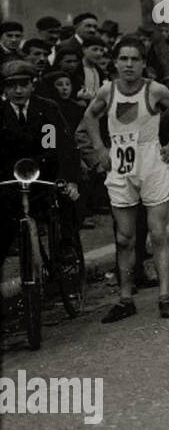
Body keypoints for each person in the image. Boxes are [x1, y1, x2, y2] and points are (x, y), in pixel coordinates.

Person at [82, 37, 169, 321]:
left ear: (143, 64)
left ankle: (165, 296)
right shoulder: (107, 91)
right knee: (124, 237)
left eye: (134, 59)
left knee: (158, 233)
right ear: (114, 63)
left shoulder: (155, 89)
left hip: (151, 162)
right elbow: (90, 117)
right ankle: (125, 299)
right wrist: (100, 148)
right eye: (123, 59)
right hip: (121, 166)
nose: (128, 64)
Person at [0, 61, 82, 299]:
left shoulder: (47, 109)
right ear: (4, 89)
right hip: (11, 181)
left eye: (23, 84)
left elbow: (65, 147)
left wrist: (68, 180)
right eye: (11, 86)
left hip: (45, 177)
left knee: (65, 200)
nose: (17, 91)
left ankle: (66, 249)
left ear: (32, 85)